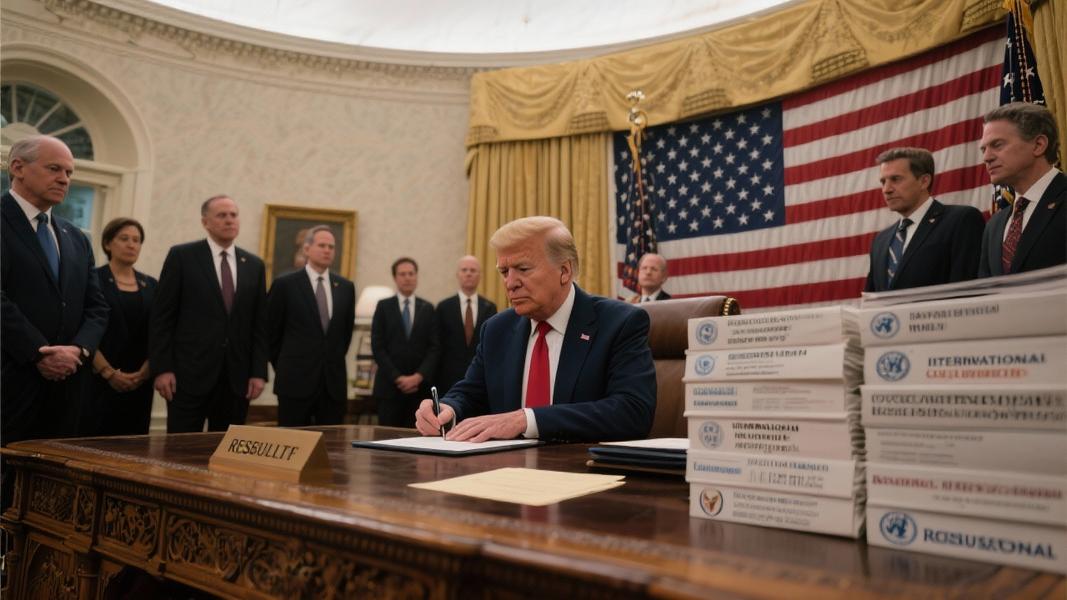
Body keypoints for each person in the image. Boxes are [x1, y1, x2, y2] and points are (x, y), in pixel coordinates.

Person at [415, 216, 656, 442]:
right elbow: (471, 393)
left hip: (581, 466)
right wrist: (448, 409)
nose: (510, 283)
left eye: (523, 269)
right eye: (504, 272)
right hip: (505, 468)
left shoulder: (619, 323)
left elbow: (633, 411)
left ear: (564, 271)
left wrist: (527, 420)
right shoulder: (497, 329)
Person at [1, 135, 109, 510]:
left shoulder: (75, 237)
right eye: (54, 169)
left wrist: (77, 351)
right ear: (17, 168)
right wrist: (38, 352)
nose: (64, 179)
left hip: (67, 388)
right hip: (11, 381)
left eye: (69, 172)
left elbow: (97, 307)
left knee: (52, 497)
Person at [149, 195, 268, 433]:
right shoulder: (182, 256)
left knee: (227, 449)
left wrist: (258, 372)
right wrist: (162, 368)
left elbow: (259, 325)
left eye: (233, 215)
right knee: (182, 449)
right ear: (205, 222)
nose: (229, 220)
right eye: (221, 215)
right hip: (187, 376)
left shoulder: (254, 265)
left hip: (236, 379)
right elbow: (162, 318)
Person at [267, 226, 356, 426]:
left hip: (332, 386)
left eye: (331, 247)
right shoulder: (285, 284)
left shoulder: (345, 287)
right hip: (294, 383)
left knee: (331, 442)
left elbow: (345, 336)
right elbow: (271, 333)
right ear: (306, 249)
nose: (327, 250)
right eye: (322, 245)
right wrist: (286, 366)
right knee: (291, 441)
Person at [864, 147, 985, 292]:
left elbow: (965, 291)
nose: (886, 189)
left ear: (924, 181)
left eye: (895, 179)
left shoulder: (961, 220)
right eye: (883, 182)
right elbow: (871, 297)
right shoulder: (880, 241)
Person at [978, 102, 1066, 276]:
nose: (986, 158)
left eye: (997, 145)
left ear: (1038, 145)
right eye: (983, 149)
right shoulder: (994, 225)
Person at [90, 218, 158, 435]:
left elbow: (159, 331)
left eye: (137, 240)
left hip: (141, 381)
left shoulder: (152, 284)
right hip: (98, 379)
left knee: (134, 445)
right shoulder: (92, 279)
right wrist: (108, 373)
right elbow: (82, 329)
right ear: (108, 243)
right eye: (124, 239)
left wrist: (146, 370)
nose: (131, 245)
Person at [371, 257, 439, 428]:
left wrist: (418, 377)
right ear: (395, 278)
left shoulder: (428, 308)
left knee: (417, 438)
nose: (407, 278)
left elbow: (435, 348)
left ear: (416, 276)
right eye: (402, 274)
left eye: (411, 274)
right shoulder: (383, 307)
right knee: (386, 439)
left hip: (420, 391)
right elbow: (377, 346)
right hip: (389, 388)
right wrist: (398, 377)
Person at [435, 255, 497, 395]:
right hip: (448, 379)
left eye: (473, 270)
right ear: (458, 275)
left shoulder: (490, 307)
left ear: (480, 276)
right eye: (464, 270)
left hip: (480, 378)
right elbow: (437, 345)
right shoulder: (444, 307)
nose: (468, 274)